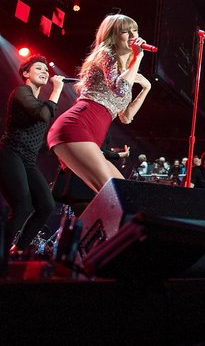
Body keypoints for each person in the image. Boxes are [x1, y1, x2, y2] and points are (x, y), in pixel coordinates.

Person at [47, 14, 151, 193]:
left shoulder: (125, 71)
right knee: (115, 194)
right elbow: (120, 89)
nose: (134, 36)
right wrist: (138, 57)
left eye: (135, 30)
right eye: (126, 31)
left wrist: (145, 88)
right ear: (113, 36)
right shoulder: (105, 53)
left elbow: (126, 117)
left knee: (125, 192)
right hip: (76, 125)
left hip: (91, 134)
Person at [0, 56, 64, 252]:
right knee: (23, 207)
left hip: (28, 159)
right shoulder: (21, 92)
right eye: (39, 68)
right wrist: (57, 90)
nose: (45, 72)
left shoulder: (39, 103)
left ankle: (18, 249)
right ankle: (2, 252)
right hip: (10, 154)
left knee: (46, 205)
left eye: (47, 69)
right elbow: (43, 114)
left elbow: (39, 139)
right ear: (26, 74)